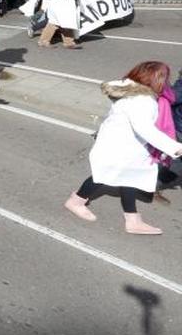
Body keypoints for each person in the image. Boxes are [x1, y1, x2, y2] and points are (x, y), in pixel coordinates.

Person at [65, 62, 182, 234]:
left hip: (127, 145)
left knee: (130, 178)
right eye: (164, 79)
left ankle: (132, 219)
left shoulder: (134, 91)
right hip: (120, 147)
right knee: (103, 176)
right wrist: (175, 148)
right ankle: (76, 201)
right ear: (155, 79)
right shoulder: (142, 101)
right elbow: (146, 129)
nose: (166, 83)